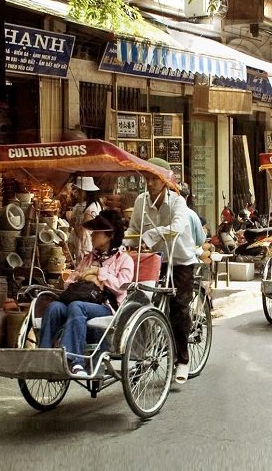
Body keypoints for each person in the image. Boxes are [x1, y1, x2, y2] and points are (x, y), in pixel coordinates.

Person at [125, 157, 197, 384]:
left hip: (179, 261)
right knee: (139, 304)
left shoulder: (177, 202)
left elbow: (177, 227)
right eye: (146, 178)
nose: (150, 183)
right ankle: (140, 358)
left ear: (165, 181)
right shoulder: (140, 202)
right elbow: (133, 229)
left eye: (154, 179)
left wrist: (151, 235)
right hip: (153, 261)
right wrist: (123, 244)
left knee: (178, 309)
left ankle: (182, 360)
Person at [39, 210, 134, 377]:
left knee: (77, 307)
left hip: (106, 306)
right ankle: (45, 357)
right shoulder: (88, 258)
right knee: (54, 306)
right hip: (79, 299)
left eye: (96, 232)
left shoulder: (124, 259)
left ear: (109, 235)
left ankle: (75, 361)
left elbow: (120, 286)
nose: (91, 236)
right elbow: (71, 281)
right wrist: (90, 277)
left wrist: (98, 272)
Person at [67, 176, 103, 262]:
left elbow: (83, 232)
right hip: (80, 245)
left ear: (87, 192)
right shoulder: (81, 205)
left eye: (80, 191)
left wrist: (74, 223)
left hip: (86, 246)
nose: (77, 193)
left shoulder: (91, 208)